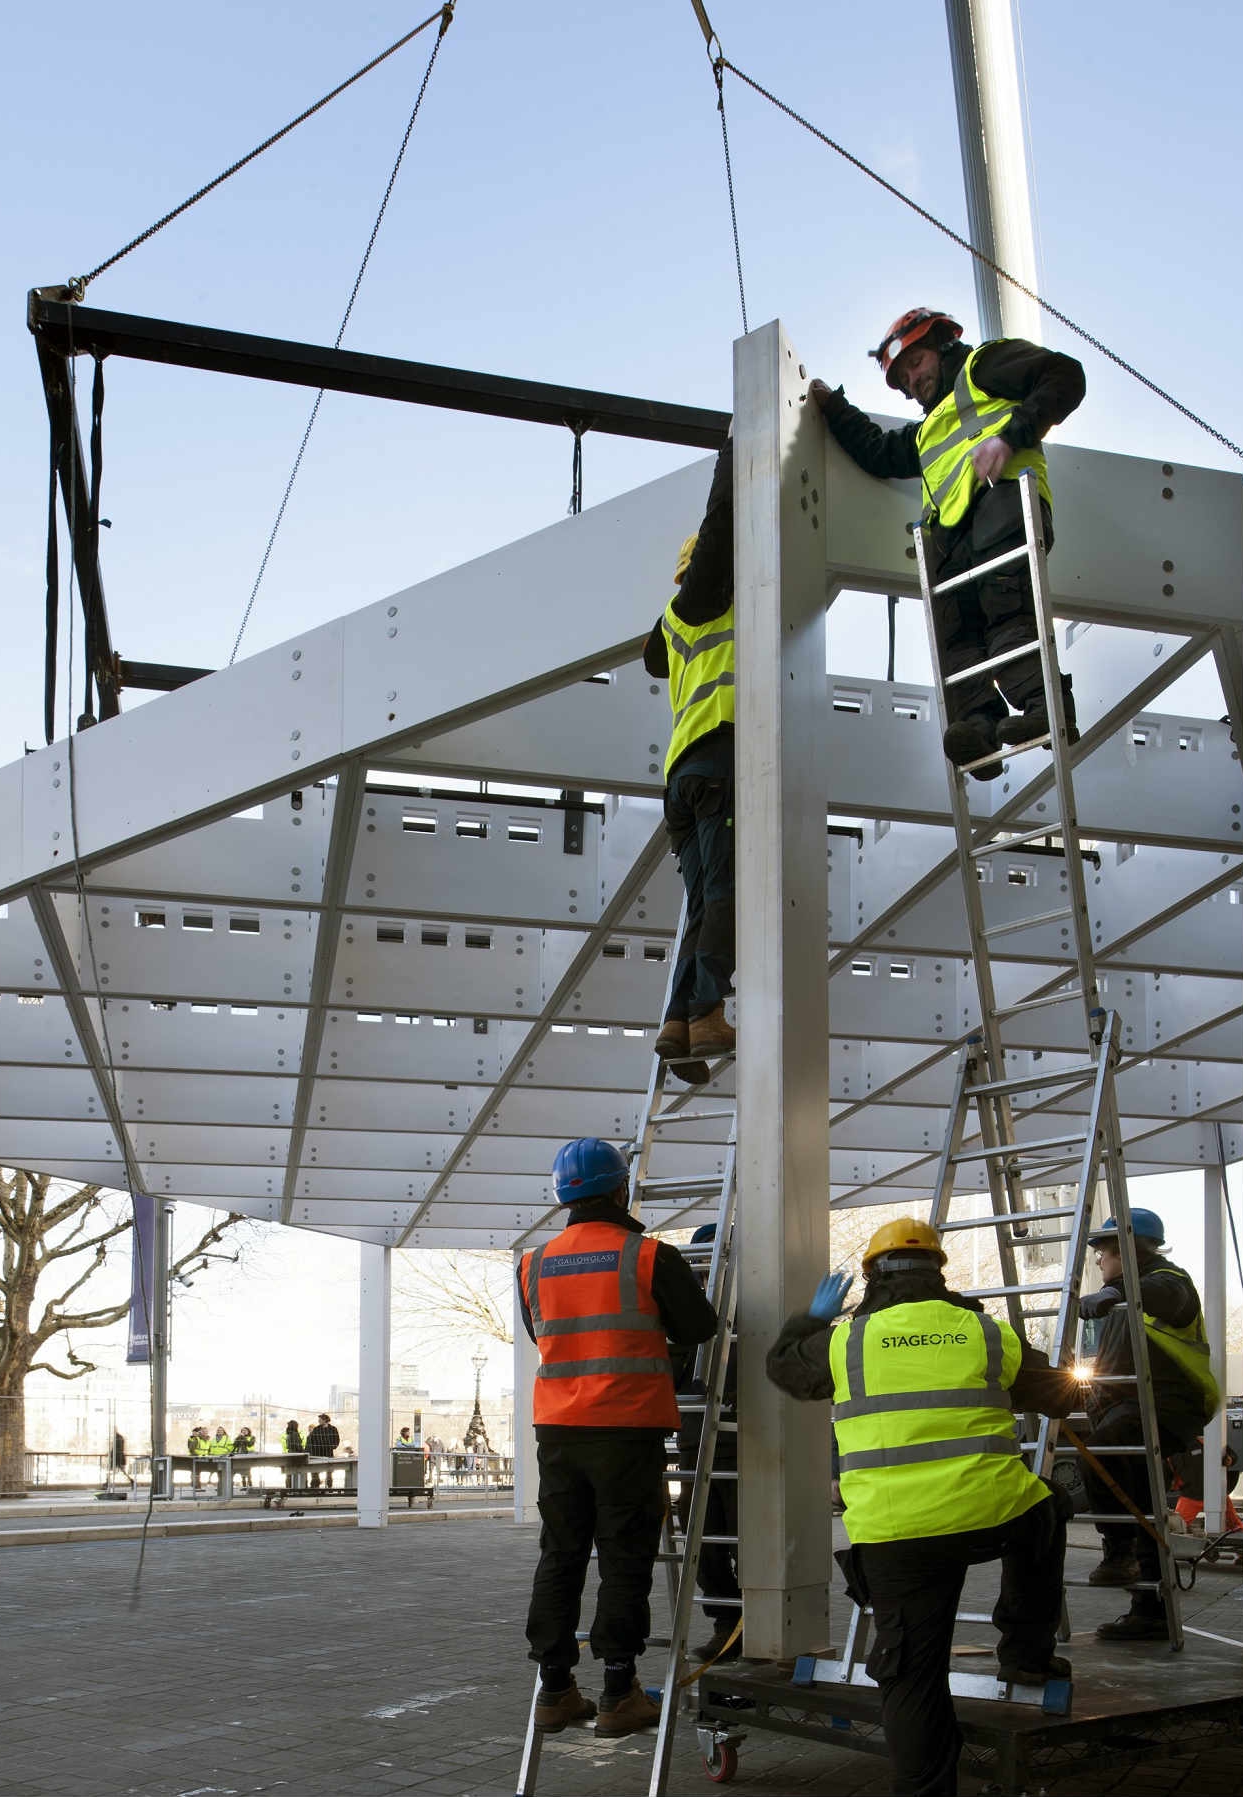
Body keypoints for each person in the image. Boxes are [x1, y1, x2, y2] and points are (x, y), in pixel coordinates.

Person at [765, 1218, 1087, 1797]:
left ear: (870, 1276)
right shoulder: (986, 1334)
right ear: (940, 1270)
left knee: (912, 1675)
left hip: (896, 1534)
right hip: (992, 1513)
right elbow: (1062, 1392)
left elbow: (783, 1366)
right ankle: (1025, 1655)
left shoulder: (845, 1342)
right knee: (1049, 1507)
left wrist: (811, 1318)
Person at [807, 311, 1088, 779]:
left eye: (917, 362)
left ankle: (1046, 706)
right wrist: (833, 408)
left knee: (1007, 615)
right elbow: (878, 453)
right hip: (952, 538)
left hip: (1003, 506)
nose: (914, 379)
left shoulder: (984, 368)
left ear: (940, 345)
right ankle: (980, 724)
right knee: (956, 638)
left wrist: (1009, 437)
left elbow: (1065, 375)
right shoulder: (927, 431)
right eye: (904, 377)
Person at [518, 1137, 719, 1740]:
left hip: (557, 1430)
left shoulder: (533, 1263)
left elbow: (541, 1333)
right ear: (621, 1188)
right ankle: (618, 1691)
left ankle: (555, 1691)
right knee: (625, 1558)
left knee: (561, 1554)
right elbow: (701, 1326)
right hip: (626, 1429)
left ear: (562, 1196)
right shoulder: (648, 1256)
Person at [1069, 1208, 1222, 1642]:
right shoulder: (1123, 1298)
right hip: (1132, 1411)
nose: (1099, 1261)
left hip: (1162, 1407)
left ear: (1128, 1251)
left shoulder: (1170, 1281)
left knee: (1100, 1457)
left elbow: (1163, 1293)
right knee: (1142, 1509)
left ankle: (1118, 1554)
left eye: (1104, 1252)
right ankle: (1148, 1610)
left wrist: (1116, 1290)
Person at [638, 443, 739, 1081]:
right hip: (715, 761)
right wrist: (735, 451)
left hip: (682, 777)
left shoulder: (673, 628)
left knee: (703, 900)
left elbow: (651, 655)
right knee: (729, 891)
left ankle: (678, 1024)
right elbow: (723, 519)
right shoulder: (708, 599)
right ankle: (704, 1010)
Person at [675, 1222, 741, 1664]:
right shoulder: (685, 1316)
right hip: (696, 1446)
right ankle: (726, 1622)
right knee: (704, 1545)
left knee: (751, 1542)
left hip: (747, 1447)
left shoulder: (761, 1310)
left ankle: (749, 1625)